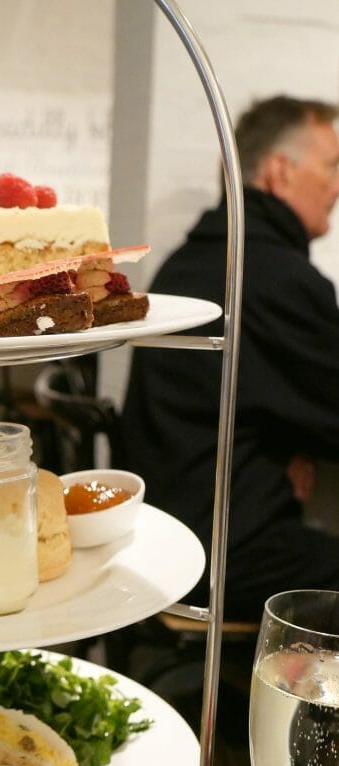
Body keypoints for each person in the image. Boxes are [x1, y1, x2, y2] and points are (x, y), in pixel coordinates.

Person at [121, 95, 339, 621]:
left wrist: (291, 442)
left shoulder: (195, 259)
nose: (336, 187)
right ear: (280, 172)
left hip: (168, 533)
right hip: (225, 551)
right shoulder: (274, 278)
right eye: (331, 167)